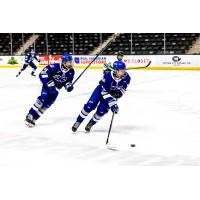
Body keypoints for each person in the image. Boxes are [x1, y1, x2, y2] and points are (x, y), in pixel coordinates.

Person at [72, 60, 131, 133]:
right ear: (116, 70)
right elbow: (104, 91)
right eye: (121, 70)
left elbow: (124, 88)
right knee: (89, 106)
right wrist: (112, 104)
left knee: (101, 111)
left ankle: (91, 123)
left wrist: (120, 93)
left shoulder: (127, 78)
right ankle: (78, 121)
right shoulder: (108, 76)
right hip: (100, 91)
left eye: (124, 70)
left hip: (112, 94)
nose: (124, 72)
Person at [24, 54, 75, 127]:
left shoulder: (71, 71)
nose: (71, 63)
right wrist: (48, 83)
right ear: (64, 62)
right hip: (47, 86)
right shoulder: (55, 66)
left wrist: (68, 86)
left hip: (56, 91)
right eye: (69, 62)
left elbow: (68, 81)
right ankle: (30, 114)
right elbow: (42, 73)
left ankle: (34, 119)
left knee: (47, 105)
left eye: (71, 61)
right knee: (43, 99)